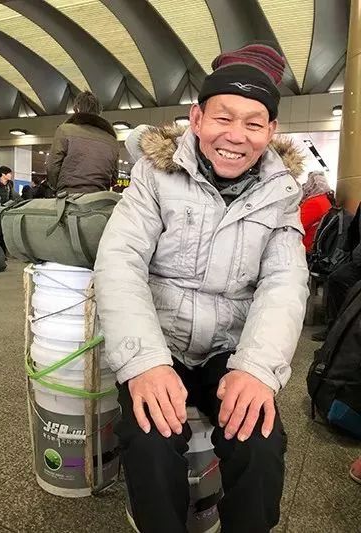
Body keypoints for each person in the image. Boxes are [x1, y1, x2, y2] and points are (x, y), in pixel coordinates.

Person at [94, 42, 309, 533]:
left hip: (229, 347)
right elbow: (120, 262)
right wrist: (144, 362)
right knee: (149, 438)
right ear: (196, 118)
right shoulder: (155, 174)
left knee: (260, 441)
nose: (236, 136)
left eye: (253, 123)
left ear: (271, 130)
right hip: (161, 339)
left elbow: (285, 281)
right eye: (222, 118)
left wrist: (256, 369)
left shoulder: (282, 193)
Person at [46, 90, 119, 194]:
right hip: (100, 197)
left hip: (69, 196)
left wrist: (59, 188)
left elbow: (52, 167)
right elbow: (114, 178)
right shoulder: (112, 139)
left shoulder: (64, 130)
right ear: (99, 112)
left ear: (76, 109)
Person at [312, 203, 361, 341]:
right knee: (336, 278)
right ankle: (334, 329)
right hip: (358, 263)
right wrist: (344, 253)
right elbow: (353, 231)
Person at [300, 171, 334, 254]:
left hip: (304, 247)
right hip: (318, 246)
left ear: (312, 185)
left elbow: (298, 225)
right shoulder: (325, 199)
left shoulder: (313, 202)